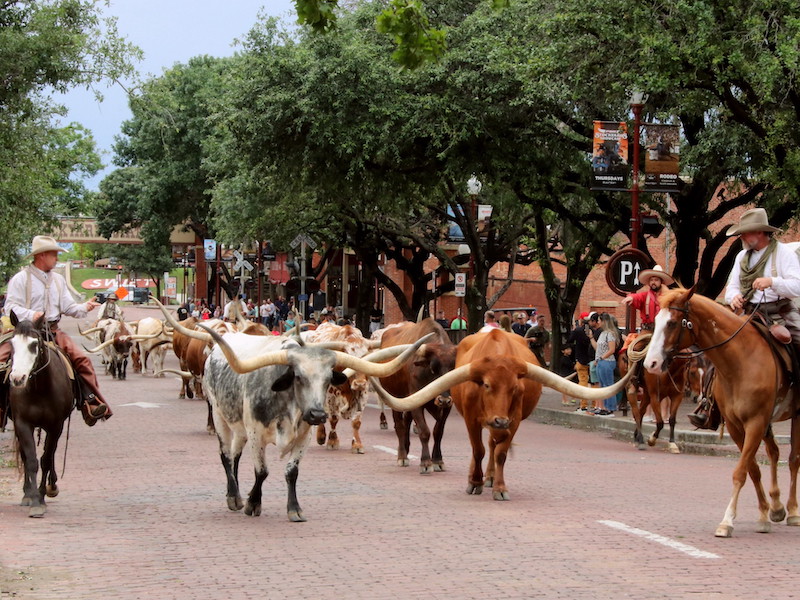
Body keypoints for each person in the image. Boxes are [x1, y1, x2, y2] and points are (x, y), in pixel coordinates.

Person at [690, 208, 800, 429]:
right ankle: (709, 405)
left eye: (745, 233)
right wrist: (735, 298)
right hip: (750, 312)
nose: (741, 237)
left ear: (759, 232)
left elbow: (797, 286)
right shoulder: (742, 256)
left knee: (798, 342)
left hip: (781, 312)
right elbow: (731, 288)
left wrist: (772, 282)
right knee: (718, 350)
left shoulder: (783, 253)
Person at [0, 235, 112, 426]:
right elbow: (10, 307)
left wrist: (85, 307)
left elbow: (68, 307)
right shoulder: (21, 278)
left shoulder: (59, 280)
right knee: (1, 361)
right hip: (24, 333)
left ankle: (90, 403)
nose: (57, 259)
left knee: (82, 360)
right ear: (42, 255)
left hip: (52, 331)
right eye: (54, 255)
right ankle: (1, 408)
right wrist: (31, 314)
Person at [620, 265, 675, 331]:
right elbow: (637, 297)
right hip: (647, 330)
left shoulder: (668, 297)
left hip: (664, 330)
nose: (653, 282)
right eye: (651, 280)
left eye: (656, 280)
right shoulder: (645, 296)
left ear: (661, 282)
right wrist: (631, 297)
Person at [589, 313, 622, 416]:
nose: (598, 322)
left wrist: (601, 358)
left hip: (607, 361)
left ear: (604, 321)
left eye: (599, 320)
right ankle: (602, 407)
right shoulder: (603, 333)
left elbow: (612, 349)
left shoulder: (610, 334)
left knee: (608, 385)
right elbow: (598, 348)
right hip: (600, 361)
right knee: (602, 385)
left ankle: (610, 408)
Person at [567, 312, 594, 412]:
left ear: (581, 320)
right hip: (592, 359)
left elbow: (569, 340)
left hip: (581, 359)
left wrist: (573, 330)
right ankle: (595, 404)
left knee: (583, 381)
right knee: (594, 383)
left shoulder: (578, 330)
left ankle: (583, 405)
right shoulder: (593, 330)